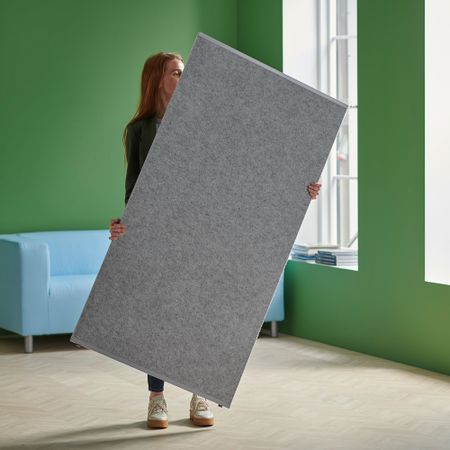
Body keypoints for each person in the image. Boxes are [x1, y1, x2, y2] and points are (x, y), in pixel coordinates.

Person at [109, 51, 321, 430]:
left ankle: (199, 391)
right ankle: (157, 398)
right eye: (176, 73)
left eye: (184, 72)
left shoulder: (204, 119)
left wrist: (300, 187)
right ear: (157, 79)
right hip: (161, 235)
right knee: (159, 317)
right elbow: (134, 190)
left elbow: (247, 168)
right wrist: (125, 226)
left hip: (204, 231)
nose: (183, 77)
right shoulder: (139, 130)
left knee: (199, 314)